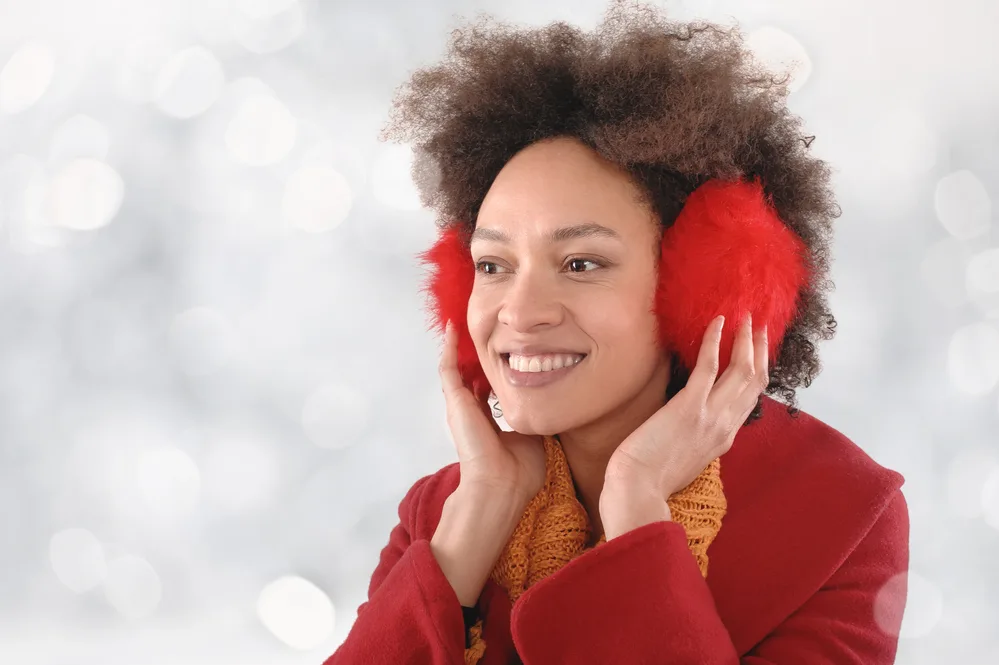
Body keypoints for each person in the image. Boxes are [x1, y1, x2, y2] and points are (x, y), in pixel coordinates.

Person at [323, 2, 909, 663]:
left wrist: (636, 502)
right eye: (492, 265)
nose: (518, 311)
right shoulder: (442, 510)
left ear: (703, 288)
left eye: (580, 263)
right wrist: (479, 510)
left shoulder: (837, 512)